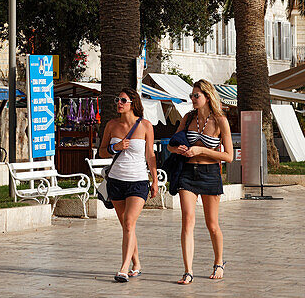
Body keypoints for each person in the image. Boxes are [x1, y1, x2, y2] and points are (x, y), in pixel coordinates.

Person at [168, 79, 233, 284]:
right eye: (191, 96)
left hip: (210, 173)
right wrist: (177, 149)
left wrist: (202, 150)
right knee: (187, 220)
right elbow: (171, 145)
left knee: (212, 224)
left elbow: (229, 156)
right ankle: (188, 271)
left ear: (207, 96)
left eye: (196, 95)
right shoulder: (187, 118)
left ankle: (219, 262)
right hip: (187, 172)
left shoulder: (220, 120)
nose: (193, 99)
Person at [98, 87, 158, 283]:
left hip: (138, 181)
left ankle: (123, 268)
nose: (119, 103)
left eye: (123, 100)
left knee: (130, 223)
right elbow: (101, 152)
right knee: (126, 226)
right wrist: (115, 147)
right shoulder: (112, 125)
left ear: (133, 103)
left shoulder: (146, 126)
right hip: (116, 180)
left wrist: (155, 180)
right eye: (118, 99)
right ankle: (137, 263)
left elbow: (150, 155)